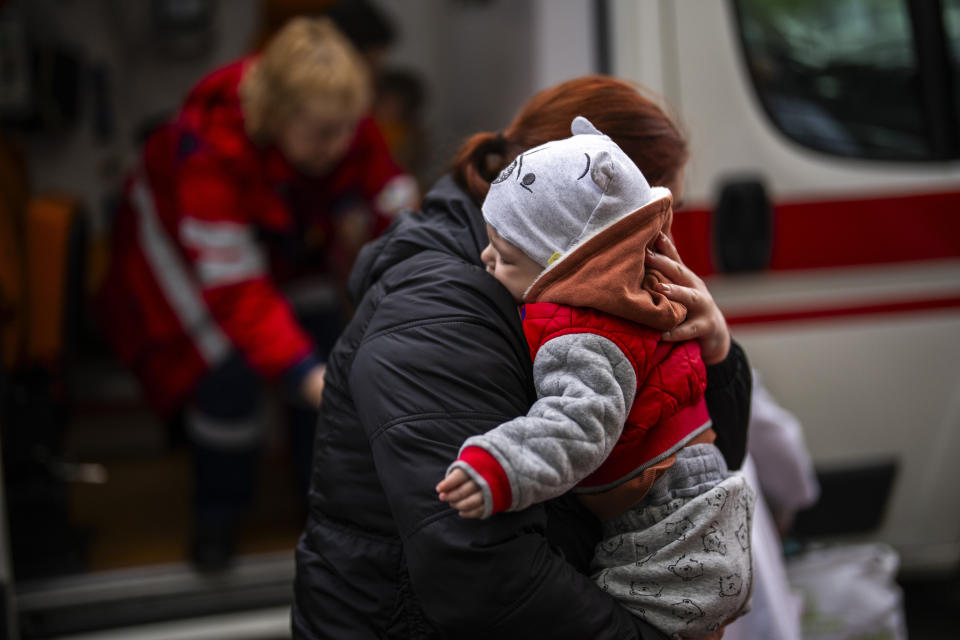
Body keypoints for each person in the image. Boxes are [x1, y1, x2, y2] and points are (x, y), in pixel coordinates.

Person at [292, 75, 752, 639]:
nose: (660, 247)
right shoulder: (439, 313)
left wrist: (715, 349)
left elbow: (702, 453)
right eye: (653, 222)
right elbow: (479, 568)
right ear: (588, 221)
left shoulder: (572, 293)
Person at [96, 17, 418, 570]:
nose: (342, 145)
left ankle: (319, 508)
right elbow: (239, 294)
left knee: (328, 346)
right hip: (177, 254)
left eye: (349, 128)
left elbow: (392, 199)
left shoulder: (335, 112)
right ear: (275, 118)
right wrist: (308, 379)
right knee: (228, 374)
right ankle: (217, 515)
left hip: (279, 241)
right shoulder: (207, 153)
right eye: (324, 135)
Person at [435, 117, 754, 638]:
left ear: (562, 264)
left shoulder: (584, 336)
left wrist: (498, 466)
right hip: (694, 502)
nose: (485, 258)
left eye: (507, 256)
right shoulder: (633, 283)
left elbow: (580, 425)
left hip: (666, 531)